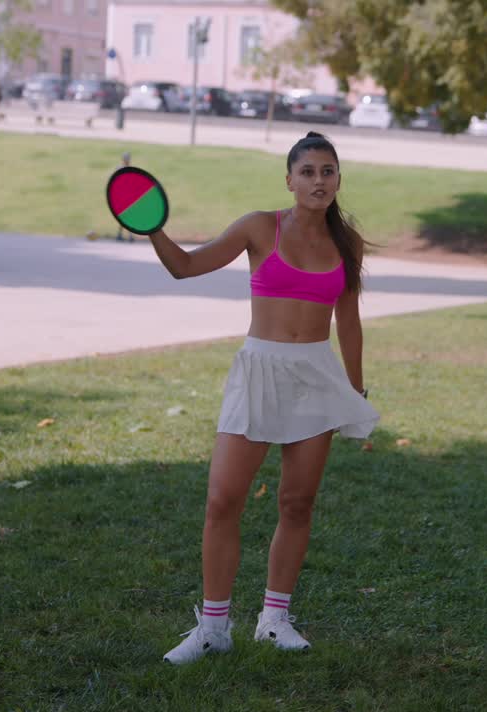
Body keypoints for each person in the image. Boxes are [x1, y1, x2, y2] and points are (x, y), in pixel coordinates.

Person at [148, 132, 379, 665]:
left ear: (338, 179)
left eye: (328, 171)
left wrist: (355, 388)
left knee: (297, 503)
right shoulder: (259, 227)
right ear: (289, 180)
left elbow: (349, 322)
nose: (318, 181)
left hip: (316, 378)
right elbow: (185, 266)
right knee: (222, 500)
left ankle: (274, 620)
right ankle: (213, 627)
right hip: (259, 371)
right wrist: (151, 228)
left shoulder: (347, 243)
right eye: (308, 172)